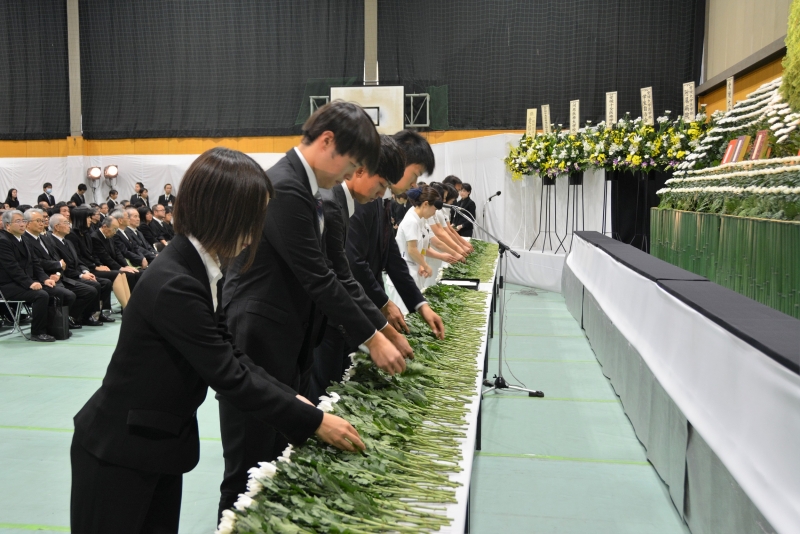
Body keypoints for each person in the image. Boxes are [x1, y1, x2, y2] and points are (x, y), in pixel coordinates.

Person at [70, 147, 365, 534]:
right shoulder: (176, 282)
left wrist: (291, 397)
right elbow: (228, 374)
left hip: (155, 444)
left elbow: (231, 350)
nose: (258, 228)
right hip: (120, 453)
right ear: (224, 212)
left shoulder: (201, 268)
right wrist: (313, 421)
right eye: (254, 216)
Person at [219, 101, 406, 516]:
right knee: (248, 470)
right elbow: (318, 276)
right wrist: (375, 338)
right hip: (258, 340)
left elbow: (332, 274)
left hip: (285, 338)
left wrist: (380, 331)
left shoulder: (306, 189)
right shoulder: (285, 186)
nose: (348, 174)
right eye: (351, 163)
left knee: (276, 460)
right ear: (327, 142)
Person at [309, 134, 418, 404]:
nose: (382, 194)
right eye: (381, 185)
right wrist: (377, 335)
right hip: (320, 321)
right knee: (322, 392)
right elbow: (342, 274)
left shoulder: (349, 202)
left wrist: (383, 330)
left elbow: (345, 274)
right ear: (358, 170)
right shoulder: (330, 203)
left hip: (339, 316)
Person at [346, 129, 447, 327]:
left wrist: (420, 304)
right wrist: (384, 304)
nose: (414, 184)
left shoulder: (379, 200)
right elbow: (354, 263)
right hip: (350, 311)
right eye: (415, 174)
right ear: (398, 161)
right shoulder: (362, 199)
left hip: (365, 305)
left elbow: (392, 256)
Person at [0, 210, 72, 342]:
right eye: (18, 221)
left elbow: (35, 263)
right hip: (8, 285)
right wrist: (30, 283)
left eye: (23, 221)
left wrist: (45, 279)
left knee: (57, 291)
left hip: (24, 281)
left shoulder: (24, 239)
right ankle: (37, 332)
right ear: (7, 225)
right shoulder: (3, 241)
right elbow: (12, 268)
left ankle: (55, 327)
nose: (22, 224)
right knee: (41, 295)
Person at [22, 209, 99, 328]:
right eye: (38, 221)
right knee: (68, 294)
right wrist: (55, 269)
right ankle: (59, 322)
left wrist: (57, 273)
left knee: (90, 290)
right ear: (27, 223)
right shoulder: (26, 240)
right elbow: (37, 263)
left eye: (43, 220)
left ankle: (70, 317)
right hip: (42, 278)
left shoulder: (44, 238)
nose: (42, 223)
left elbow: (60, 261)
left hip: (57, 276)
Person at [48, 214, 114, 324]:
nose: (69, 225)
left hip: (77, 272)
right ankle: (78, 316)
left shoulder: (67, 241)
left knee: (105, 283)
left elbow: (78, 260)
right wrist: (81, 275)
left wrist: (85, 271)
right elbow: (64, 267)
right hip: (67, 276)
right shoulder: (52, 243)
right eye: (66, 223)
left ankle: (97, 313)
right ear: (57, 227)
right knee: (93, 287)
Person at [66, 207, 133, 310]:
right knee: (116, 275)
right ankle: (127, 308)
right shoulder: (72, 236)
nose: (90, 220)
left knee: (121, 274)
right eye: (88, 217)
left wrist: (98, 265)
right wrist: (95, 266)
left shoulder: (86, 234)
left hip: (92, 266)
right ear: (81, 218)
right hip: (85, 269)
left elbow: (93, 254)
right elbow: (78, 257)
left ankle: (128, 305)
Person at [396, 187, 441, 289]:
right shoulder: (412, 220)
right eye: (434, 209)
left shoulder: (419, 218)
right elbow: (412, 249)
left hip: (413, 268)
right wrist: (425, 265)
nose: (434, 213)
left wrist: (420, 264)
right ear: (425, 204)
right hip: (405, 271)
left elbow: (421, 248)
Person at [91, 217, 142, 292]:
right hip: (105, 266)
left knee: (137, 272)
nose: (115, 232)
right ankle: (129, 300)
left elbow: (117, 252)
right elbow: (105, 257)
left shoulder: (110, 235)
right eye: (114, 229)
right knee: (128, 274)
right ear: (105, 227)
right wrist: (120, 268)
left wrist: (126, 265)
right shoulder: (95, 237)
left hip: (113, 265)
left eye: (116, 230)